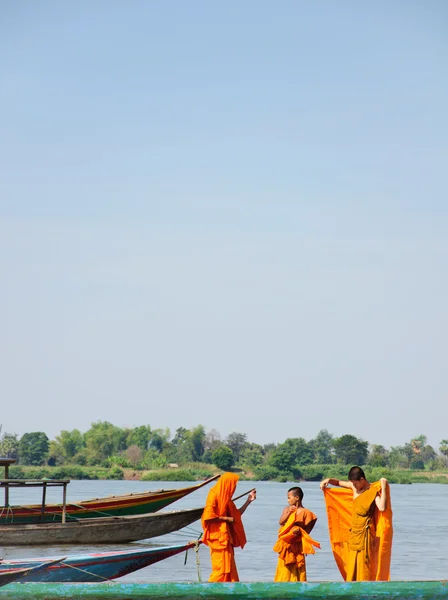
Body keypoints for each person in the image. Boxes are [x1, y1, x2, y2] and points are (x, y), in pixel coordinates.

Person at [320, 466, 393, 581]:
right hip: (354, 533)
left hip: (366, 535)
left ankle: (366, 588)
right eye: (352, 483)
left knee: (364, 564)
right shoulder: (354, 489)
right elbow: (339, 483)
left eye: (355, 483)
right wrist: (328, 480)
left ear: (362, 480)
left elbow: (382, 507)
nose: (353, 486)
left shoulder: (373, 492)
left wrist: (383, 487)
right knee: (352, 562)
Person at [201, 472, 256, 582]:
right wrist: (226, 519)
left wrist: (248, 501)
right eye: (233, 484)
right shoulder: (214, 494)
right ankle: (210, 591)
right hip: (217, 538)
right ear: (227, 483)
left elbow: (236, 515)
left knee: (229, 568)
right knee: (220, 569)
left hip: (226, 538)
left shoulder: (226, 498)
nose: (234, 488)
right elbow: (208, 517)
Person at [273, 486, 320, 582]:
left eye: (289, 498)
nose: (288, 500)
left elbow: (307, 532)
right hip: (286, 545)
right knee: (284, 570)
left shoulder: (307, 513)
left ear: (297, 498)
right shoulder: (287, 509)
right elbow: (281, 522)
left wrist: (297, 533)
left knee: (298, 568)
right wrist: (289, 513)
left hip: (297, 546)